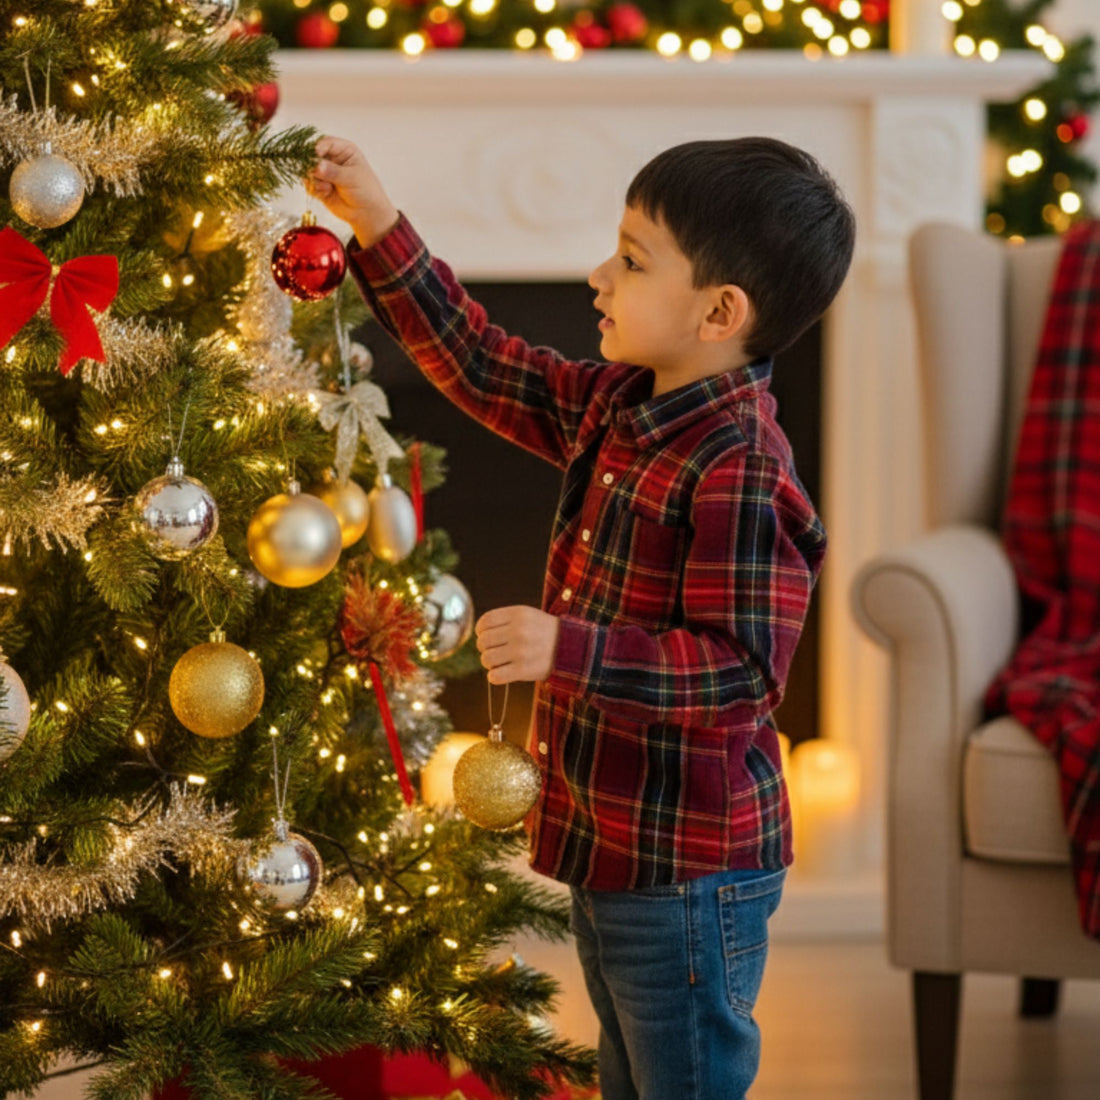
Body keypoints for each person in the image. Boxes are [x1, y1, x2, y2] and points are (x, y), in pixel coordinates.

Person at [308, 134, 855, 1100]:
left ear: (721, 313)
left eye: (633, 261)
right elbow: (483, 363)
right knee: (626, 1069)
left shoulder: (743, 467)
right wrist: (379, 225)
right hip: (611, 844)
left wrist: (571, 648)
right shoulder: (623, 406)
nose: (599, 275)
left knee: (679, 1072)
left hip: (687, 867)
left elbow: (739, 674)